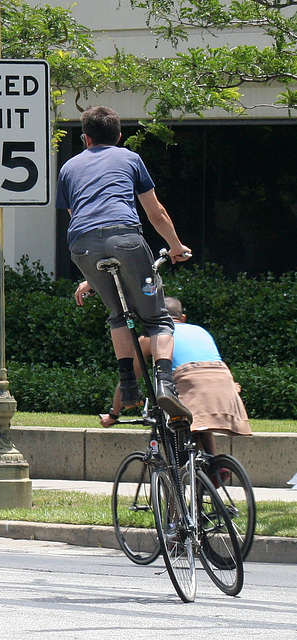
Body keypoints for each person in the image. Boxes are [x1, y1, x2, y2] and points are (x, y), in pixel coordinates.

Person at [56, 105, 192, 424]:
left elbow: (78, 220)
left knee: (118, 314)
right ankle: (164, 385)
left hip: (81, 245)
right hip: (125, 238)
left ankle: (129, 388)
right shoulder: (130, 158)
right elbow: (155, 212)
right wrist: (175, 246)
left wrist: (93, 274)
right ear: (119, 137)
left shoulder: (68, 168)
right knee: (157, 319)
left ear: (85, 138)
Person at [97, 297, 251, 455]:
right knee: (200, 422)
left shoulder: (151, 337)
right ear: (182, 318)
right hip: (224, 378)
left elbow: (129, 379)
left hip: (188, 378)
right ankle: (215, 467)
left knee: (173, 423)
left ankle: (183, 470)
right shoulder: (201, 331)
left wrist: (113, 414)